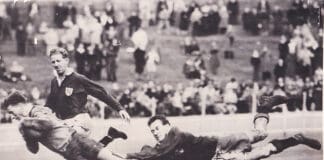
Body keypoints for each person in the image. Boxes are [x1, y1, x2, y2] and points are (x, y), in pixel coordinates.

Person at [118, 95, 321, 160]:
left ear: (167, 125)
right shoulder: (161, 149)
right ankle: (296, 139)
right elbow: (150, 153)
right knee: (262, 151)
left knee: (260, 134)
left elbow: (155, 153)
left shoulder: (176, 134)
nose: (155, 132)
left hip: (220, 144)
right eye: (152, 131)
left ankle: (264, 106)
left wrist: (132, 157)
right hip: (219, 156)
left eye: (157, 128)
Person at [1, 91, 127, 160]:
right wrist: (27, 136)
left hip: (72, 144)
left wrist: (25, 123)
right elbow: (34, 150)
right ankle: (110, 136)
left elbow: (48, 124)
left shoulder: (35, 113)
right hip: (73, 142)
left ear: (18, 105)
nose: (12, 116)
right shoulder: (34, 114)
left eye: (11, 111)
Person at [45, 48, 130, 135]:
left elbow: (100, 92)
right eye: (53, 62)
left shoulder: (78, 79)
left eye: (58, 61)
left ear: (66, 61)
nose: (56, 64)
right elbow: (50, 104)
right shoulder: (54, 82)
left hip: (80, 122)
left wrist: (119, 108)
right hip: (65, 123)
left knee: (69, 139)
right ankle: (110, 137)